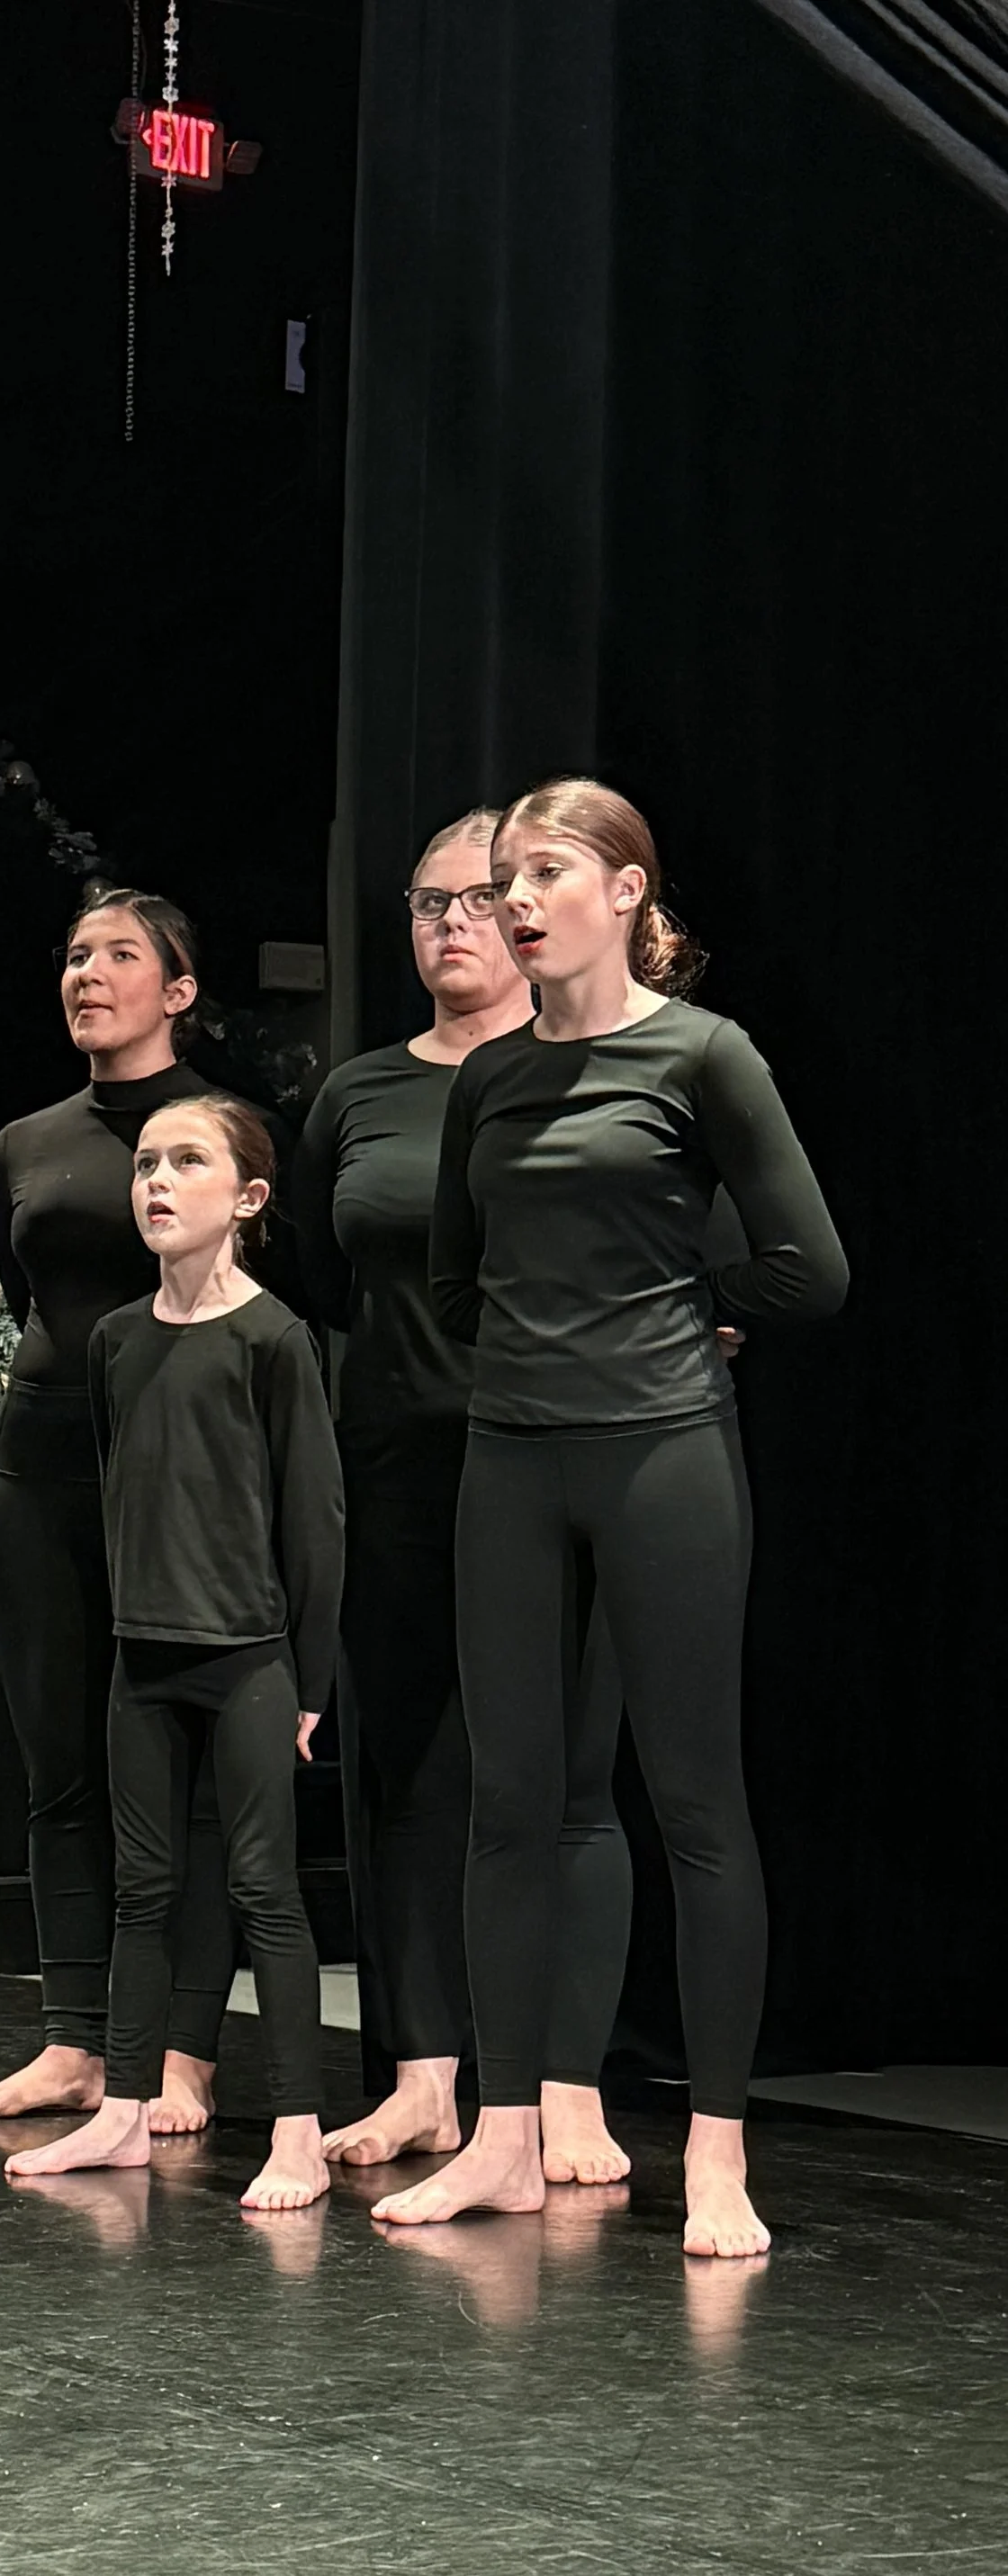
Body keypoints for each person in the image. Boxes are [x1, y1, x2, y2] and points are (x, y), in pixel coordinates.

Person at [378, 779, 848, 2257]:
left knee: (694, 1800)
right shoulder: (490, 1080)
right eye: (501, 876)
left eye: (548, 872)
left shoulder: (701, 1056)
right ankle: (504, 2137)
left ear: (628, 893)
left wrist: (677, 1308)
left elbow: (809, 1266)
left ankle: (716, 2153)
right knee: (511, 1805)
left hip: (661, 1455)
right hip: (513, 1463)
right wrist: (539, 1349)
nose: (513, 899)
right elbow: (454, 1286)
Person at [294, 811, 635, 2186]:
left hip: (558, 1454)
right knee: (410, 1770)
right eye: (428, 901)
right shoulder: (360, 1093)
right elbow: (327, 1272)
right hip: (393, 1464)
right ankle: (425, 2074)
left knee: (556, 1771)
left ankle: (557, 2083)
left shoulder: (589, 1075)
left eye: (481, 898)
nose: (451, 922)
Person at [5, 1095, 344, 2208]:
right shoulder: (114, 1341)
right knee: (142, 1890)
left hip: (246, 1656)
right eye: (144, 1162)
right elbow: (118, 1491)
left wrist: (309, 1676)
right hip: (138, 1658)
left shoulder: (273, 1341)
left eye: (184, 1162)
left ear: (245, 1198)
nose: (153, 1181)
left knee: (262, 1890)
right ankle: (122, 2107)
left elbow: (313, 1520)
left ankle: (296, 2128)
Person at [0, 888, 238, 2132]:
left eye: (121, 955)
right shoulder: (26, 1140)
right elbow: (34, 1297)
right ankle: (75, 2036)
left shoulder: (225, 1133)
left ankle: (181, 2044)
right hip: (42, 1465)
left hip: (174, 1473)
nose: (89, 973)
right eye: (74, 954)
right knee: (57, 1760)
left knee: (176, 1768)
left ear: (178, 990)